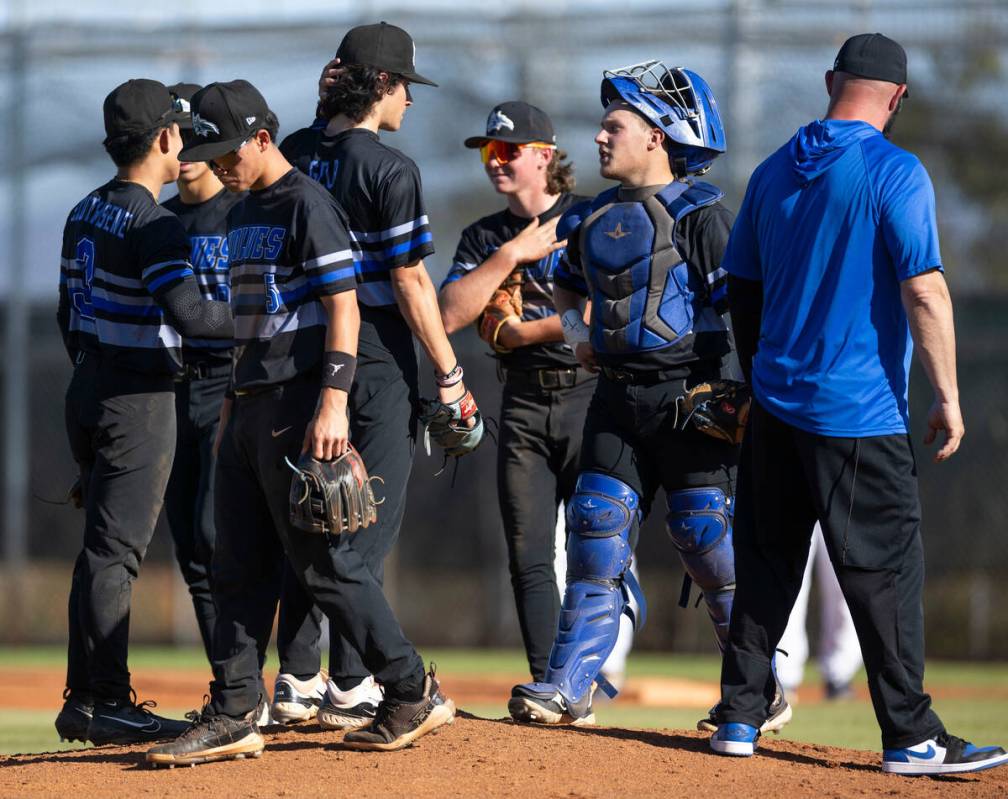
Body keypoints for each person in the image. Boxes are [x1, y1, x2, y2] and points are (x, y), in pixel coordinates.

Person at [710, 33, 1008, 775]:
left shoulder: (776, 168)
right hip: (859, 414)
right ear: (898, 97)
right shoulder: (894, 170)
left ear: (829, 80)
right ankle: (911, 735)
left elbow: (740, 285)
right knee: (885, 575)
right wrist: (947, 395)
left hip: (776, 407)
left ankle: (739, 719)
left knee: (768, 566)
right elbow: (925, 290)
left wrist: (759, 376)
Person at [146, 79, 454, 767]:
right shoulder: (243, 208)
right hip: (249, 403)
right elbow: (247, 324)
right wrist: (230, 404)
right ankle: (232, 709)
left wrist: (333, 402)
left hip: (298, 403)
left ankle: (410, 688)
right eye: (209, 153)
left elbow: (344, 307)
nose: (220, 164)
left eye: (230, 151)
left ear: (262, 137)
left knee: (328, 564)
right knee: (237, 564)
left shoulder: (307, 205)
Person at [509, 61, 789, 731]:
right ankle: (567, 687)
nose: (600, 137)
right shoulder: (594, 214)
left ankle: (760, 690)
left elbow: (745, 309)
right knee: (595, 539)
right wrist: (579, 330)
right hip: (614, 398)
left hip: (690, 400)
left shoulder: (702, 214)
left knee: (709, 546)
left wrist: (756, 397)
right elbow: (566, 285)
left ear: (657, 137)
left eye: (615, 126)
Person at [276, 22, 480, 736]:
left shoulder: (293, 153)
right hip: (375, 361)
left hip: (300, 354)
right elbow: (410, 279)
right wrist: (451, 376)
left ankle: (302, 676)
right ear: (383, 85)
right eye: (405, 87)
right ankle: (362, 682)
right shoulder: (389, 169)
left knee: (310, 511)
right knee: (361, 525)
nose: (411, 103)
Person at [55, 78, 234, 746]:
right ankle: (102, 700)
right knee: (116, 554)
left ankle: (88, 695)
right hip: (139, 398)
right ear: (165, 137)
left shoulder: (85, 209)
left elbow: (64, 314)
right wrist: (265, 316)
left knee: (98, 550)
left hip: (89, 384)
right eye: (179, 131)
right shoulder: (154, 223)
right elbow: (189, 314)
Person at [438, 101, 607, 686]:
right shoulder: (484, 236)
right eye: (488, 151)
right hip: (525, 403)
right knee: (529, 553)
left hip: (590, 397)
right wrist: (508, 255)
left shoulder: (590, 217)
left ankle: (583, 674)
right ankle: (549, 682)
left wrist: (517, 330)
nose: (495, 161)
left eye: (507, 151)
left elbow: (599, 311)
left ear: (544, 157)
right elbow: (450, 314)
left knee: (597, 547)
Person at [160, 83, 245, 665]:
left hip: (231, 382)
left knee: (221, 539)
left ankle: (276, 676)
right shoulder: (161, 221)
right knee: (191, 548)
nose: (187, 150)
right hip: (170, 387)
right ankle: (230, 688)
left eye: (198, 138)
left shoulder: (241, 212)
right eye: (177, 137)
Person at [776, 523, 862, 701]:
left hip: (843, 496)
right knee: (788, 579)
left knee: (846, 581)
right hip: (793, 495)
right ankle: (782, 676)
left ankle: (839, 675)